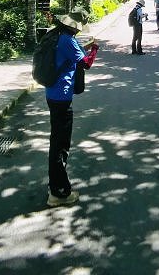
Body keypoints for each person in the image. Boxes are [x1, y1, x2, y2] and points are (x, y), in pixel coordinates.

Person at [45, 13, 99, 207]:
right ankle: (58, 192)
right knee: (60, 145)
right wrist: (94, 48)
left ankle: (55, 184)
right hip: (62, 97)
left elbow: (71, 56)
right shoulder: (68, 41)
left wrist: (84, 48)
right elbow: (86, 63)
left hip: (52, 94)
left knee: (56, 141)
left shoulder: (56, 36)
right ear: (74, 28)